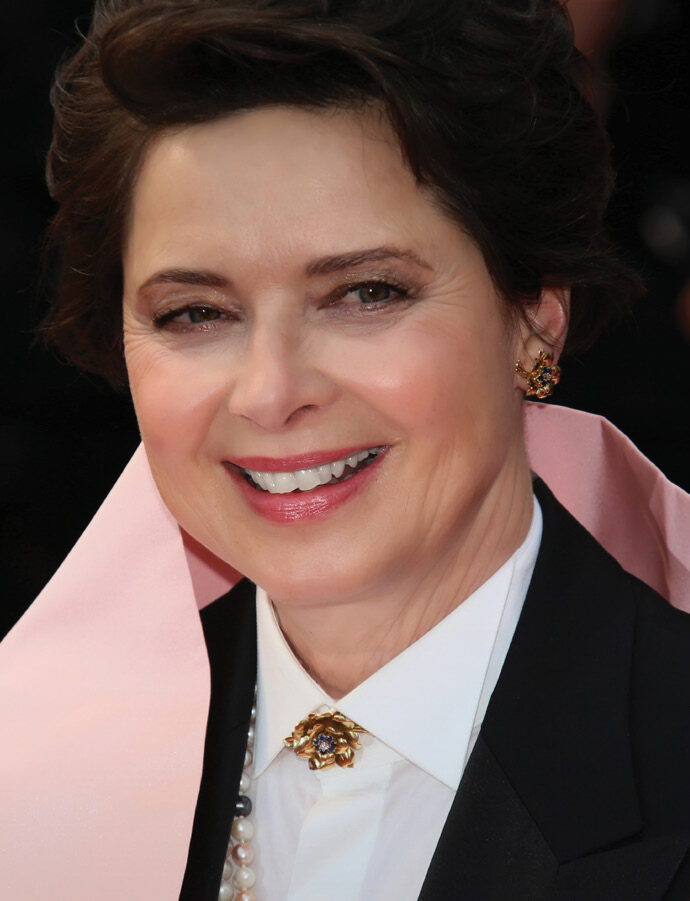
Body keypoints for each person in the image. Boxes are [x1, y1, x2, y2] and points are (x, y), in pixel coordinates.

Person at [2, 1, 690, 899]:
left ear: (532, 315)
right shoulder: (38, 765)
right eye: (196, 313)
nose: (271, 391)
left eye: (366, 293)